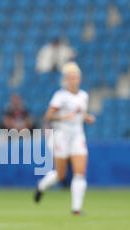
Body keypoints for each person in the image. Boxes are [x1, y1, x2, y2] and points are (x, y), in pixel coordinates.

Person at [34, 62, 96, 215]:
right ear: (66, 80)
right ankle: (41, 186)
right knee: (60, 175)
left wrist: (87, 117)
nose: (73, 80)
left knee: (80, 172)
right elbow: (48, 116)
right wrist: (62, 117)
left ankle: (76, 208)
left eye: (76, 77)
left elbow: (79, 113)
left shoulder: (84, 96)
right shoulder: (60, 96)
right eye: (70, 78)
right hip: (61, 136)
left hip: (77, 135)